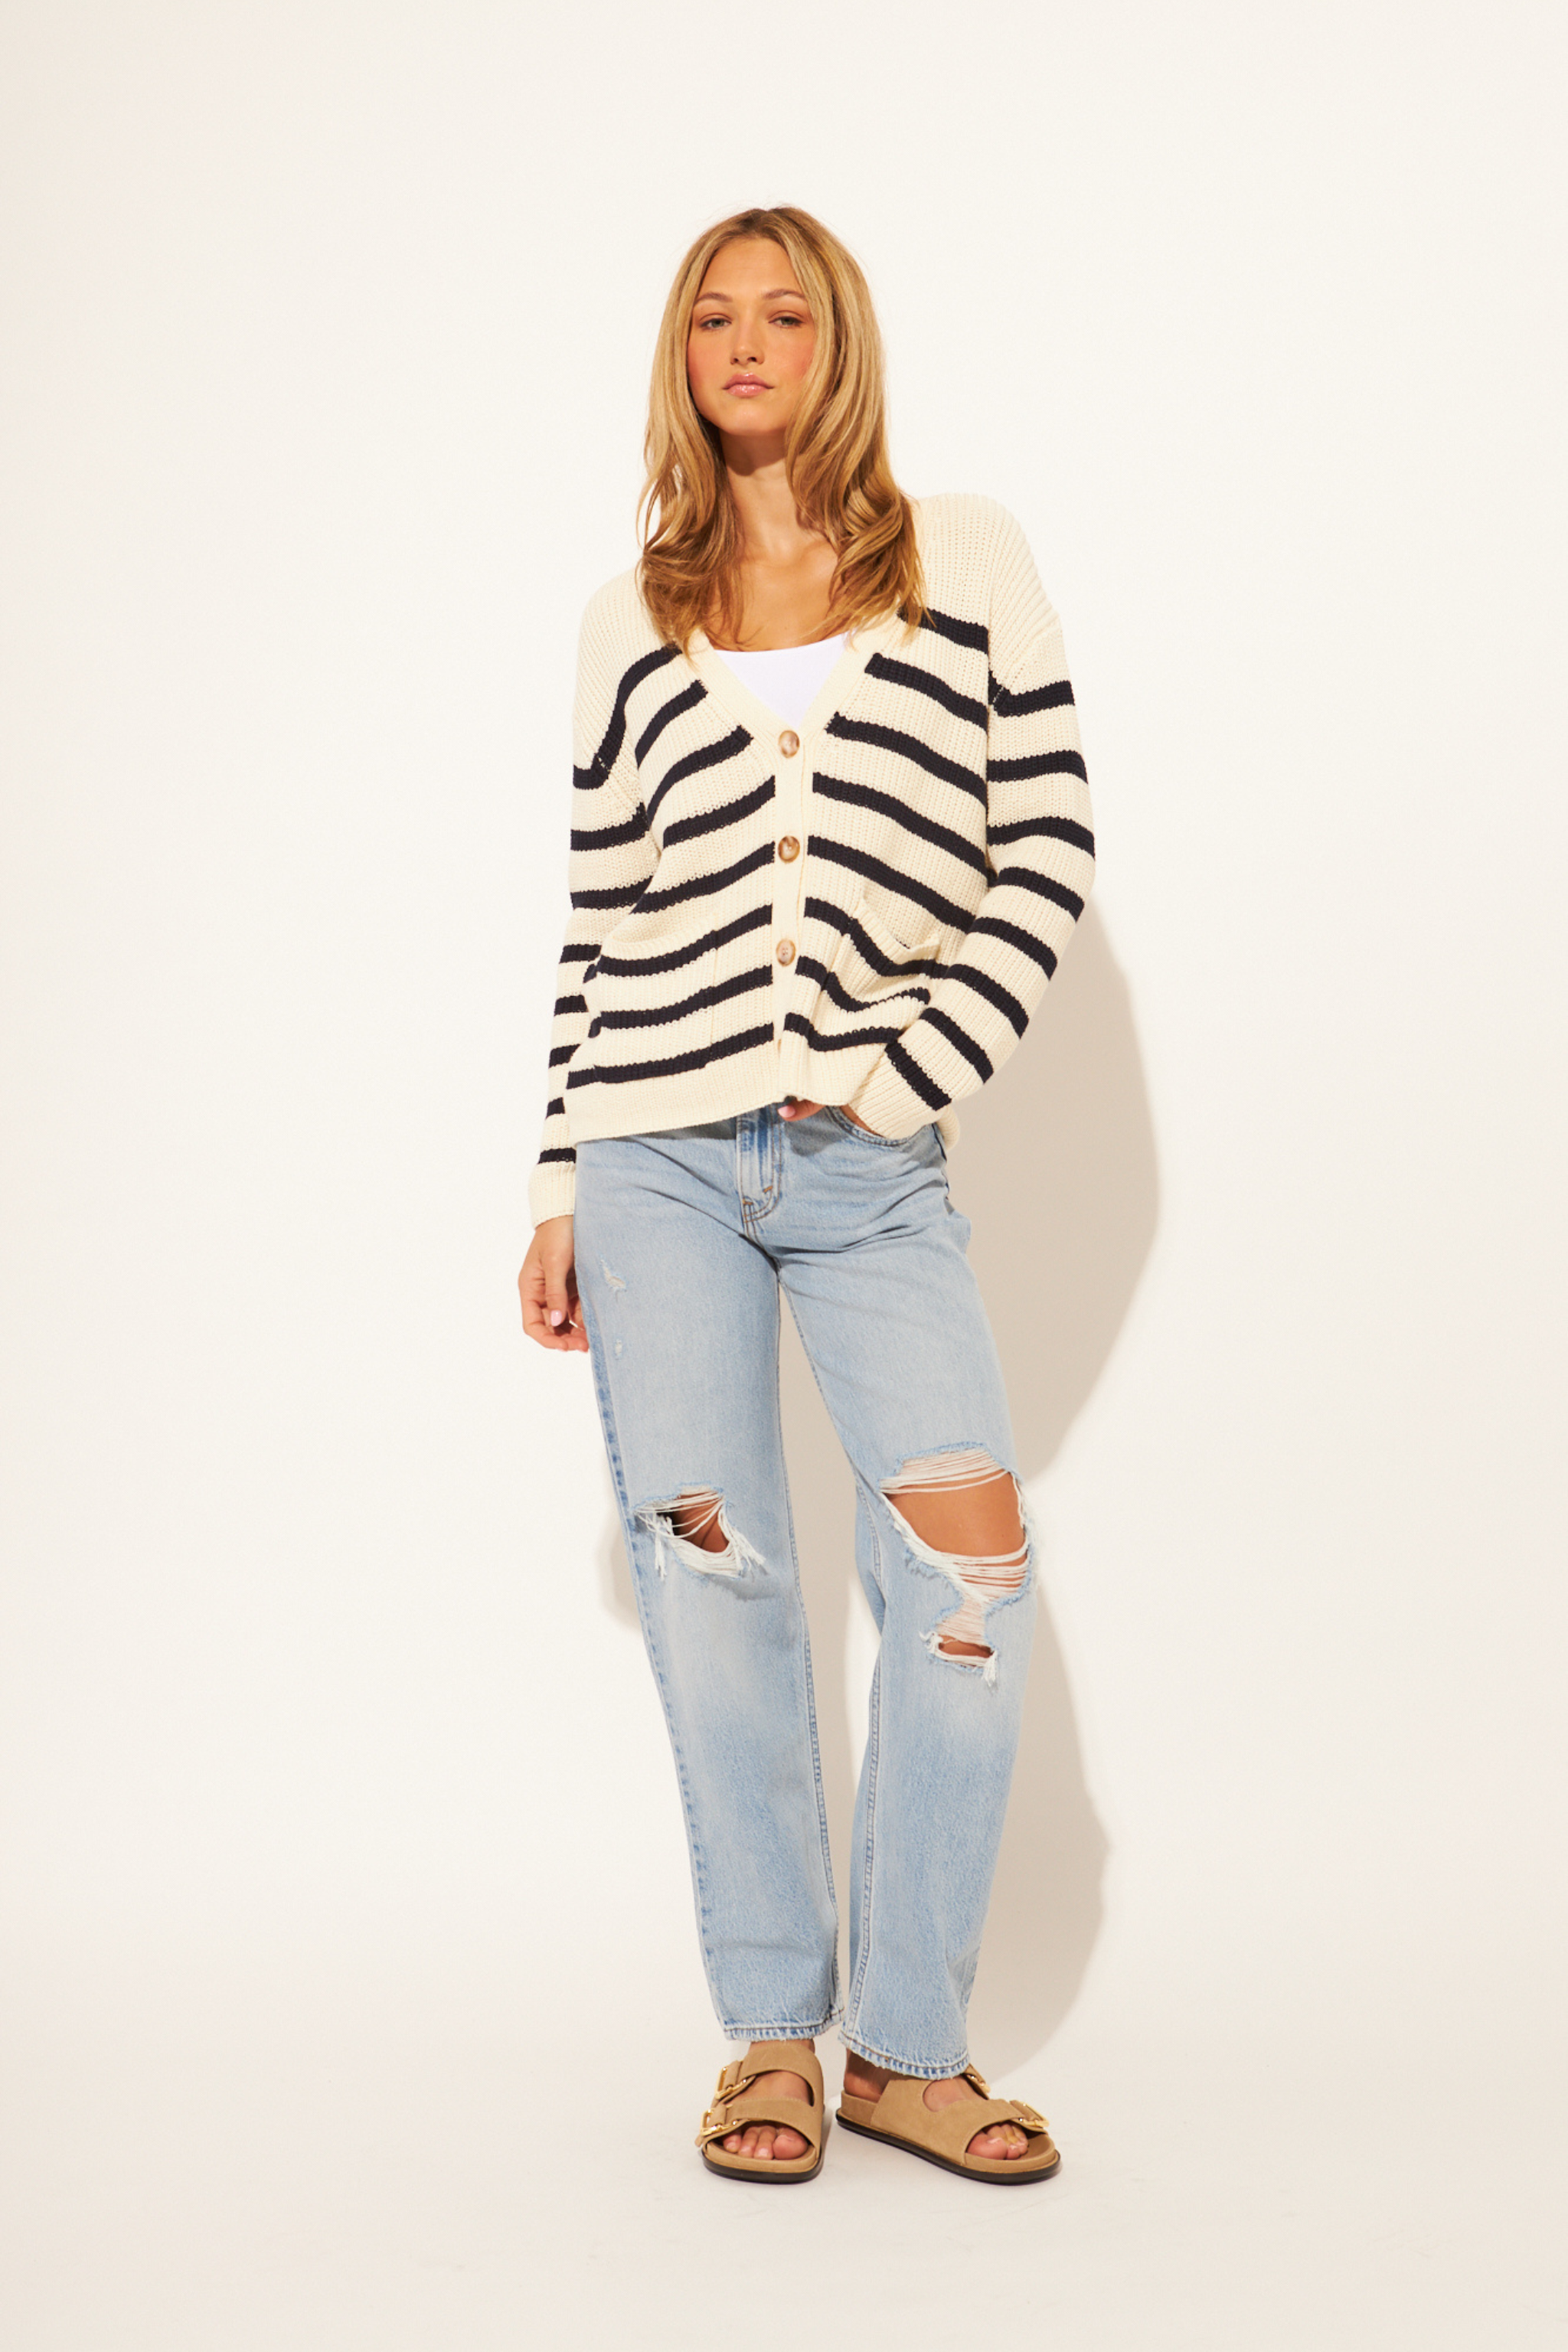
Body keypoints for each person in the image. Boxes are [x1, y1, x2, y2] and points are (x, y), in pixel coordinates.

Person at [518, 206, 1093, 2185]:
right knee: (719, 1584)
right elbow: (602, 918)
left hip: (872, 1171)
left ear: (841, 343)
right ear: (680, 357)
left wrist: (903, 1073)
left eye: (786, 314)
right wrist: (558, 1176)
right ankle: (772, 2033)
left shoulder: (966, 560)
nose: (747, 345)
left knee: (967, 1582)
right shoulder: (631, 614)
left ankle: (909, 2051)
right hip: (655, 1159)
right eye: (713, 317)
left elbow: (1044, 850)